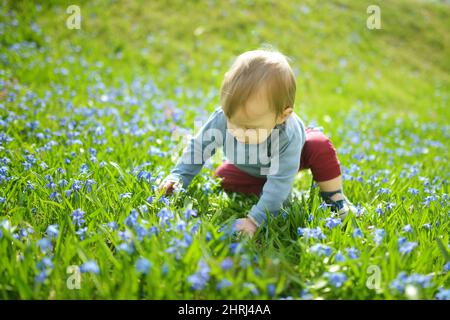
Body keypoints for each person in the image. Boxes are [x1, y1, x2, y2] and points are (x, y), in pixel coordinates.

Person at [160, 49, 360, 237]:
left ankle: (334, 198)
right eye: (233, 122)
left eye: (249, 128)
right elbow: (199, 148)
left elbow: (281, 179)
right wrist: (178, 176)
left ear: (282, 116)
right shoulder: (223, 118)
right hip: (251, 167)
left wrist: (255, 220)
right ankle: (267, 192)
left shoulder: (288, 135)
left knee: (318, 144)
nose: (238, 132)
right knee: (222, 178)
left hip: (289, 161)